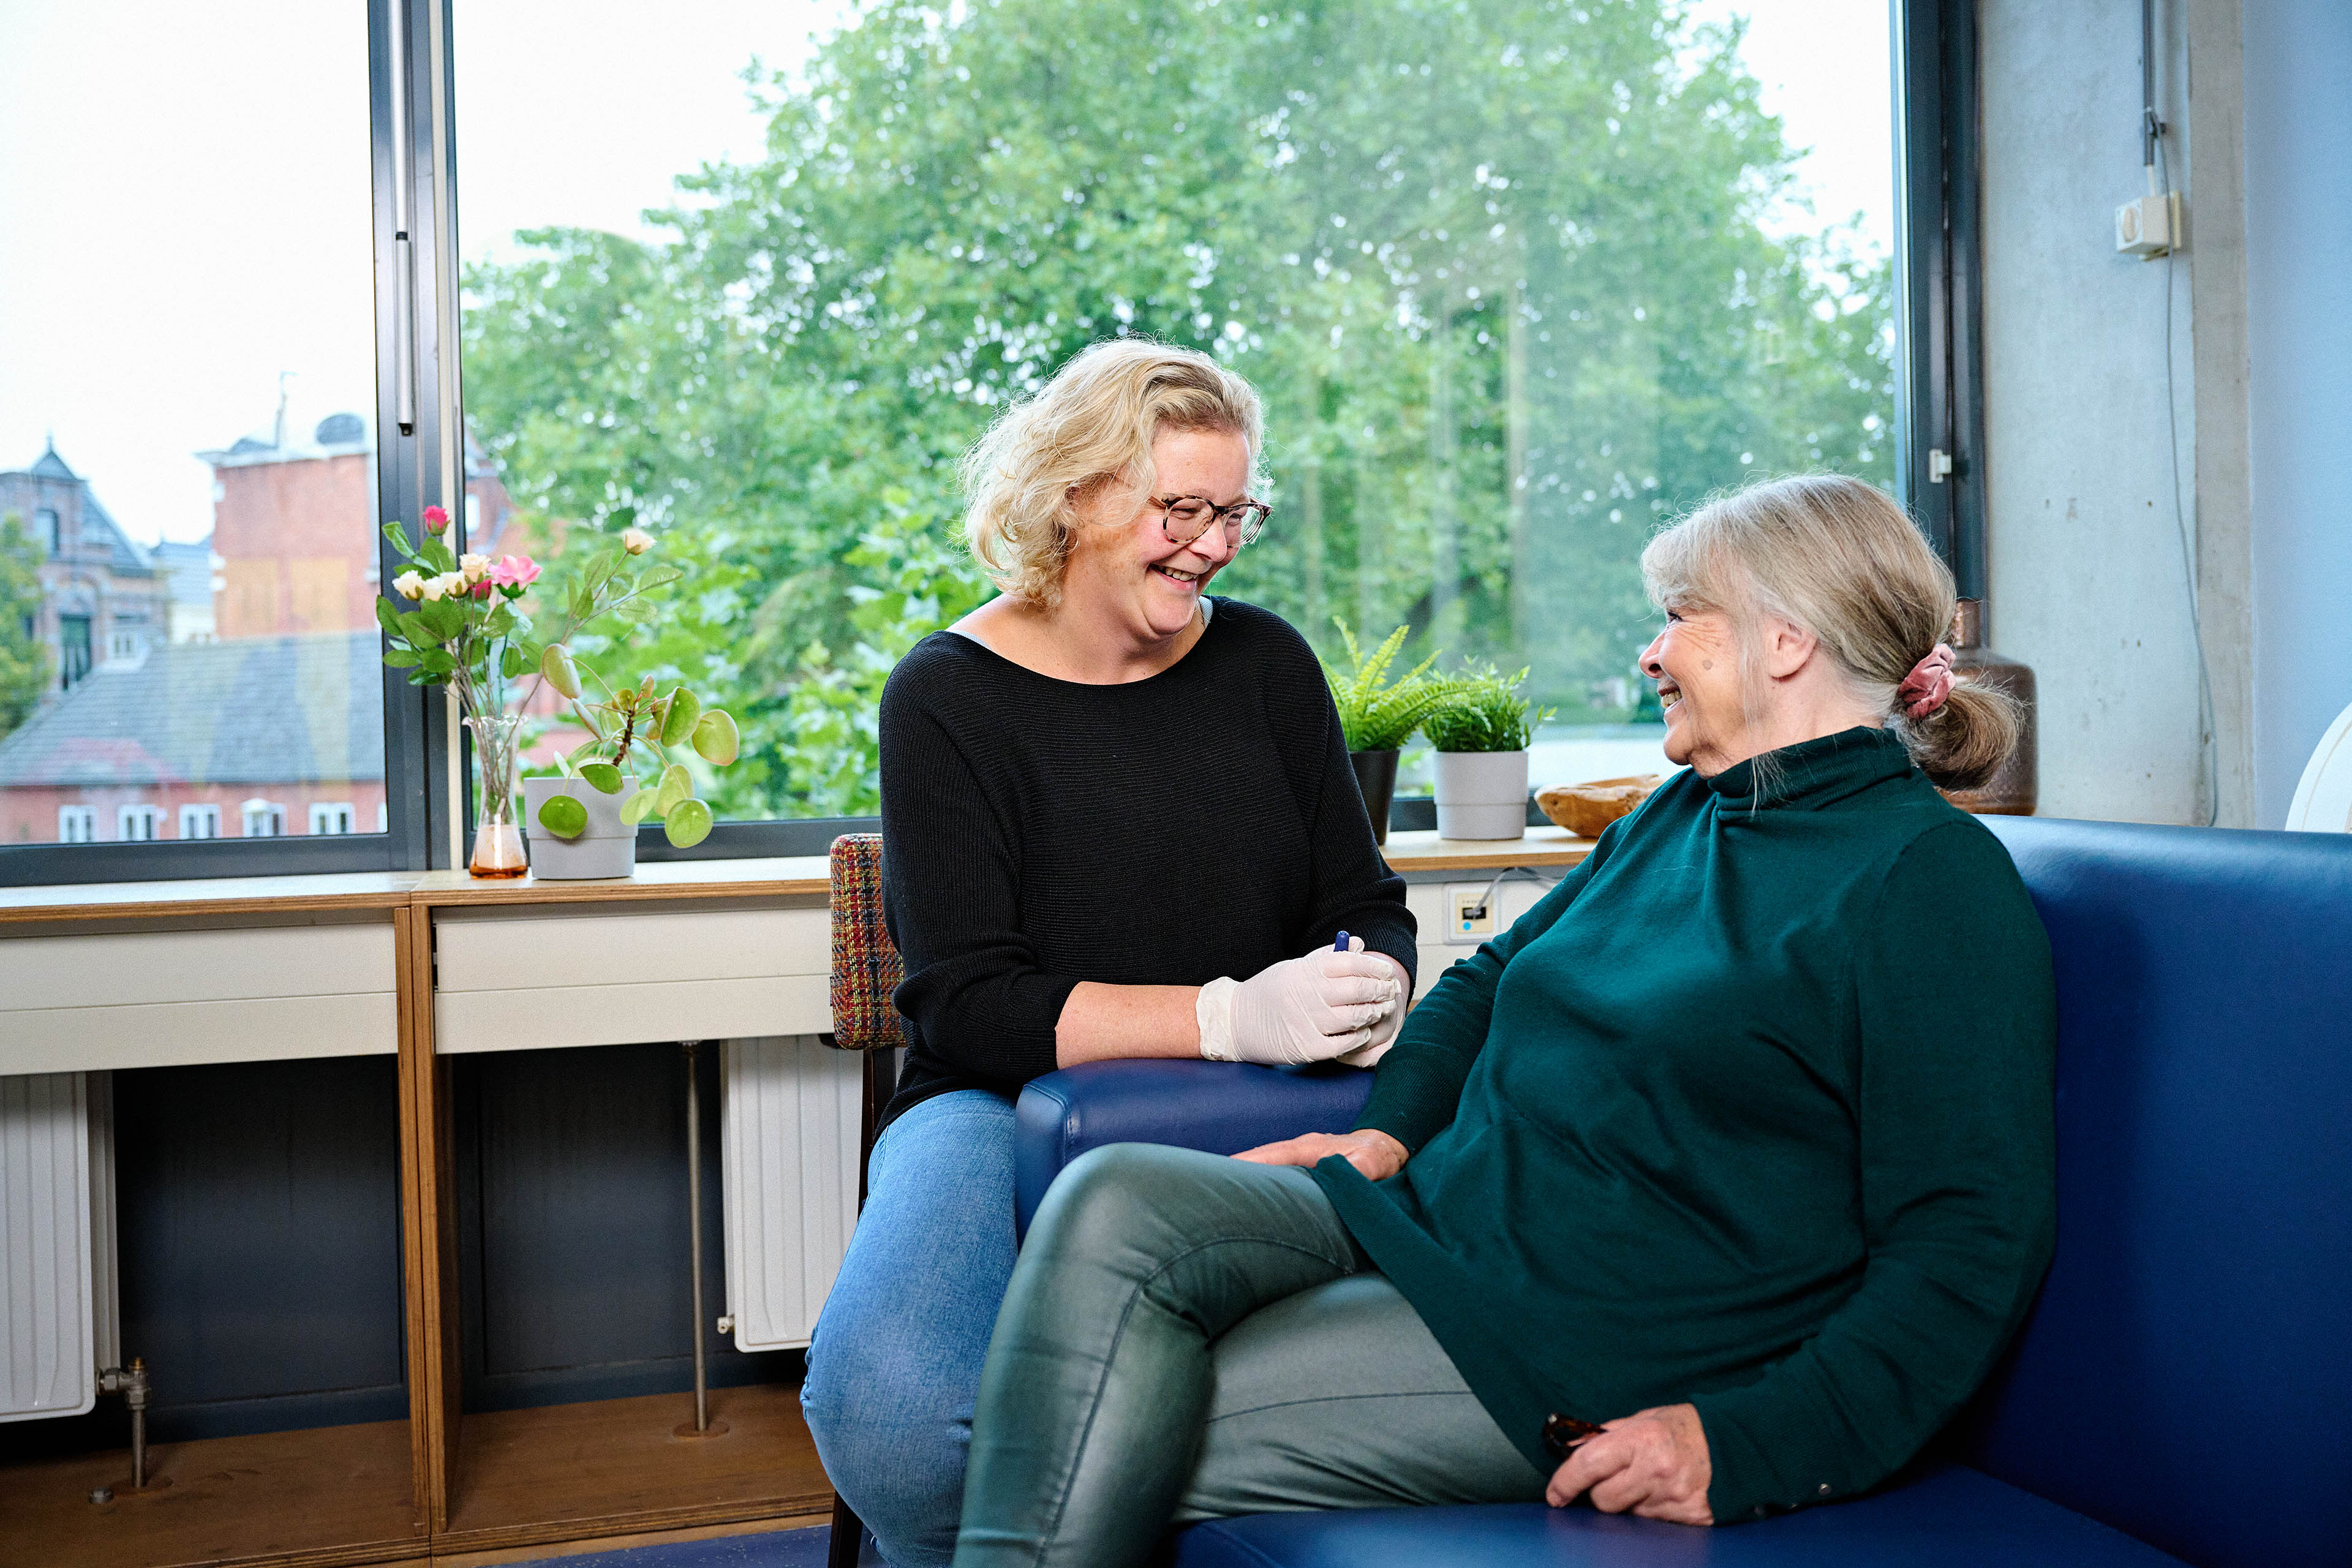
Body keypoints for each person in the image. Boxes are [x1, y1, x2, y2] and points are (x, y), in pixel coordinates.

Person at [949, 473, 2060, 1567]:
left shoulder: (1929, 882)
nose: (1652, 653)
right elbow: (1486, 984)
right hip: (1445, 1224)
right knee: (1117, 1194)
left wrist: (1750, 1443)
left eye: (1679, 620)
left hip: (1589, 1336)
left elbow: (1969, 1245)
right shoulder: (1684, 815)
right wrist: (1384, 1134)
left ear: (1784, 642)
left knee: (1094, 1428)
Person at [799, 338, 1416, 1567]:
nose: (1214, 541)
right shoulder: (947, 695)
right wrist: (1233, 1014)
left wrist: (1370, 982)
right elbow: (968, 1007)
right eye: (1178, 506)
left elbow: (1366, 901)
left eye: (1235, 509)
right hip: (990, 1102)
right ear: (1071, 495)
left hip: (1254, 1103)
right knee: (900, 1426)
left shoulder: (1267, 664)